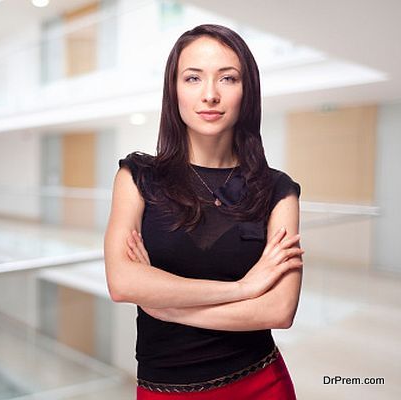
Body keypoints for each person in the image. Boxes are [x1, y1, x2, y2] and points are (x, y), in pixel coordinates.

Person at [104, 24, 303, 399]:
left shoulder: (277, 190)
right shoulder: (138, 176)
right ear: (173, 89)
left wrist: (168, 306)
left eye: (227, 79)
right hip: (164, 388)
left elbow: (278, 309)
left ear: (247, 91)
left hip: (260, 384)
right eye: (193, 77)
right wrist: (244, 288)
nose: (210, 95)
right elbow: (123, 282)